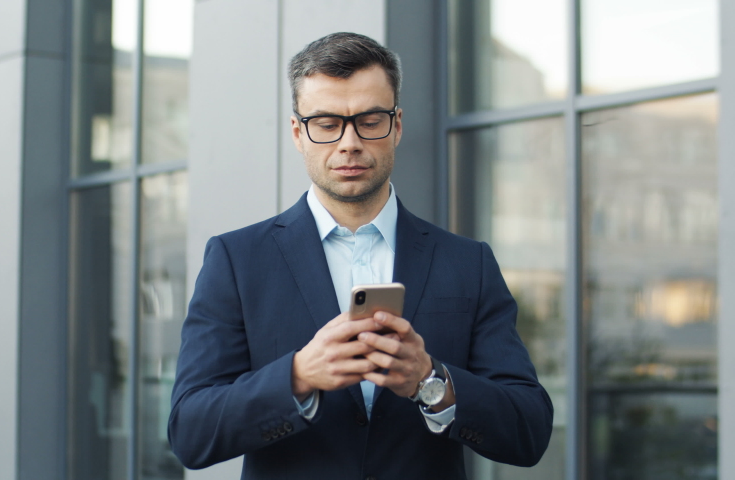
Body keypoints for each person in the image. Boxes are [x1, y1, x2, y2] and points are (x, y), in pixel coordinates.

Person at [168, 32, 553, 479]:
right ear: (298, 132)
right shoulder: (237, 260)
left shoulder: (468, 263)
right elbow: (190, 432)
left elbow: (530, 430)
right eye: (327, 123)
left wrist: (431, 382)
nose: (349, 142)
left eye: (370, 120)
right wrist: (297, 376)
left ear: (398, 126)